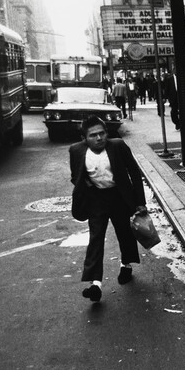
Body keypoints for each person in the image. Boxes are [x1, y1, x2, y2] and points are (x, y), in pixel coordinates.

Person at [69, 115, 147, 301]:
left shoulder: (118, 146)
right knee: (96, 238)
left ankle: (126, 265)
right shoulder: (76, 151)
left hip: (120, 196)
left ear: (107, 133)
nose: (99, 138)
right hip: (96, 199)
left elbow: (134, 172)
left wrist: (140, 202)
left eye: (102, 133)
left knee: (124, 233)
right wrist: (88, 186)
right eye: (93, 135)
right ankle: (95, 284)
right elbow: (75, 176)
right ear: (85, 138)